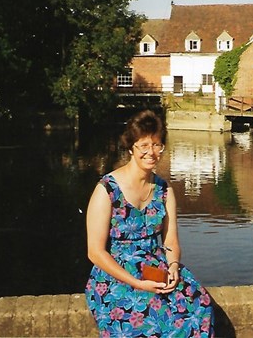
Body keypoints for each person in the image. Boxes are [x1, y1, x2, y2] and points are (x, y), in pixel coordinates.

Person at [85, 109, 215, 337]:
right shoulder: (106, 190)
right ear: (130, 148)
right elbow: (95, 252)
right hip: (117, 274)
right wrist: (136, 283)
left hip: (156, 267)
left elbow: (171, 240)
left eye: (157, 145)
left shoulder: (164, 190)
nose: (151, 152)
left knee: (199, 305)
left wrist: (173, 266)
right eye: (143, 145)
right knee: (144, 318)